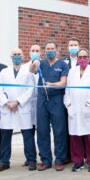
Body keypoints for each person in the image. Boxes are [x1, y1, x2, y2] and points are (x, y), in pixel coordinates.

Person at [0, 48, 36, 172]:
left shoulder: (28, 72)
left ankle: (31, 160)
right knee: (6, 136)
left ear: (23, 56)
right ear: (11, 57)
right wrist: (7, 103)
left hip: (22, 106)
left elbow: (30, 89)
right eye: (14, 54)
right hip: (8, 108)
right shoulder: (4, 72)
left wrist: (18, 102)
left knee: (27, 135)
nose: (17, 56)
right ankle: (4, 161)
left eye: (19, 54)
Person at [64, 48, 90, 172]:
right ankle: (78, 162)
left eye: (84, 57)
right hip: (74, 109)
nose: (82, 59)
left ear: (88, 58)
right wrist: (68, 104)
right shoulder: (72, 71)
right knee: (75, 138)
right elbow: (68, 90)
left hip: (88, 109)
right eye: (80, 57)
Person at [32, 41, 69, 171]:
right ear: (44, 51)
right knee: (42, 130)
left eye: (52, 48)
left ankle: (59, 159)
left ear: (57, 50)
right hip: (42, 100)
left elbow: (63, 83)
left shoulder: (63, 64)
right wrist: (34, 63)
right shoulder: (41, 63)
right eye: (47, 49)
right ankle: (45, 160)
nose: (50, 51)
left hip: (57, 99)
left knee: (59, 130)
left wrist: (52, 84)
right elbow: (32, 70)